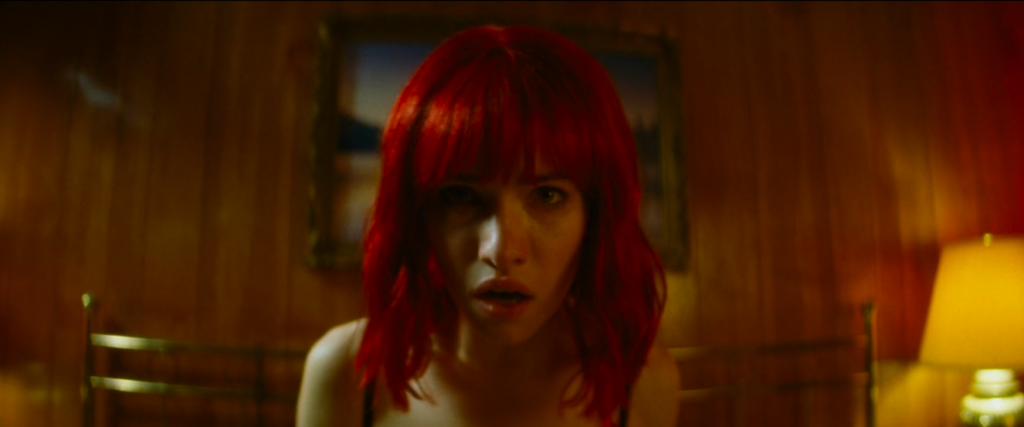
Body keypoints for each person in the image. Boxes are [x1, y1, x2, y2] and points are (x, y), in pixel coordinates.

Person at [297, 25, 680, 427]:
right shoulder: (349, 371)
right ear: (418, 214)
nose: (500, 250)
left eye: (547, 195)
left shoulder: (639, 380)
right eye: (461, 196)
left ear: (597, 214)